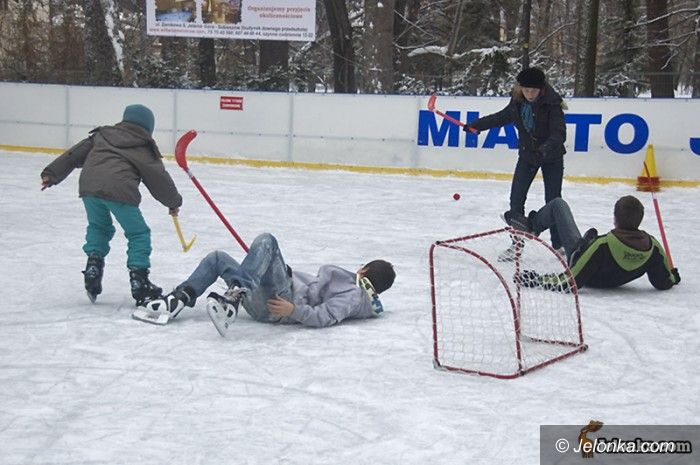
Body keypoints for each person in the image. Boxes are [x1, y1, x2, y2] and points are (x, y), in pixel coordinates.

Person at [40, 104, 183, 305]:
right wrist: (173, 202)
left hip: (89, 187)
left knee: (99, 227)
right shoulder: (143, 146)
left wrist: (51, 174)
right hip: (119, 190)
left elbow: (73, 155)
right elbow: (159, 180)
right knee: (138, 233)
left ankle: (93, 267)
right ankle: (139, 281)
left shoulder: (102, 135)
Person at [144, 233, 396, 336]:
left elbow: (325, 316)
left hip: (282, 304)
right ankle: (180, 298)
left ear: (363, 269)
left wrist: (293, 310)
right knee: (218, 258)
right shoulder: (353, 291)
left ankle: (233, 298)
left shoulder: (354, 294)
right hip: (274, 297)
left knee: (267, 241)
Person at [465, 67, 567, 251]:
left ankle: (558, 245)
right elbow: (501, 117)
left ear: (541, 89)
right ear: (520, 88)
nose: (530, 94)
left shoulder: (552, 103)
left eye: (534, 91)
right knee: (516, 199)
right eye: (526, 90)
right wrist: (477, 125)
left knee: (553, 200)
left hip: (551, 157)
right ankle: (517, 245)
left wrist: (544, 150)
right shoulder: (517, 101)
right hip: (528, 155)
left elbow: (558, 134)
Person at [504, 195, 680, 290]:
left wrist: (535, 280)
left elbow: (571, 281)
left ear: (615, 220)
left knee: (558, 205)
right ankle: (585, 242)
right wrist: (673, 276)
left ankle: (532, 227)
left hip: (585, 265)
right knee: (591, 237)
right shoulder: (652, 247)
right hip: (606, 271)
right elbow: (663, 282)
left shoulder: (603, 245)